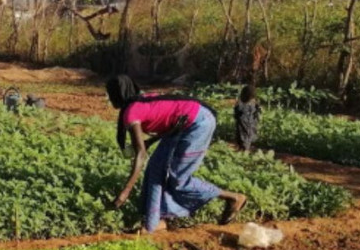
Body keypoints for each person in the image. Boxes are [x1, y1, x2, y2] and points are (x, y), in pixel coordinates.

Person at [106, 75, 247, 232]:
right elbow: (169, 120)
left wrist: (126, 191)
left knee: (178, 179)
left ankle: (233, 197)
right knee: (155, 168)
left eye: (110, 94)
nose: (109, 99)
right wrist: (149, 143)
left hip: (198, 122)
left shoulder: (131, 112)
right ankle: (154, 223)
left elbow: (140, 154)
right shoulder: (139, 101)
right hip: (181, 125)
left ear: (116, 95)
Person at [234, 84, 261, 153]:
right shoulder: (254, 103)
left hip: (243, 125)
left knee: (243, 137)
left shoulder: (241, 104)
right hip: (250, 125)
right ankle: (245, 149)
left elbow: (236, 114)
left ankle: (244, 149)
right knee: (248, 136)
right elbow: (257, 115)